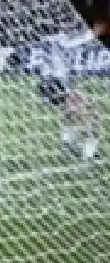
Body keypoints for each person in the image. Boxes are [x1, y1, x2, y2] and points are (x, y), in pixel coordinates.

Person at [38, 18, 107, 159]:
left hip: (51, 83)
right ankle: (89, 153)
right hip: (57, 83)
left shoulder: (54, 38)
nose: (71, 23)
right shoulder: (63, 40)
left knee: (70, 113)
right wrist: (99, 28)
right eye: (66, 21)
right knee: (91, 115)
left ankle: (67, 146)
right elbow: (89, 35)